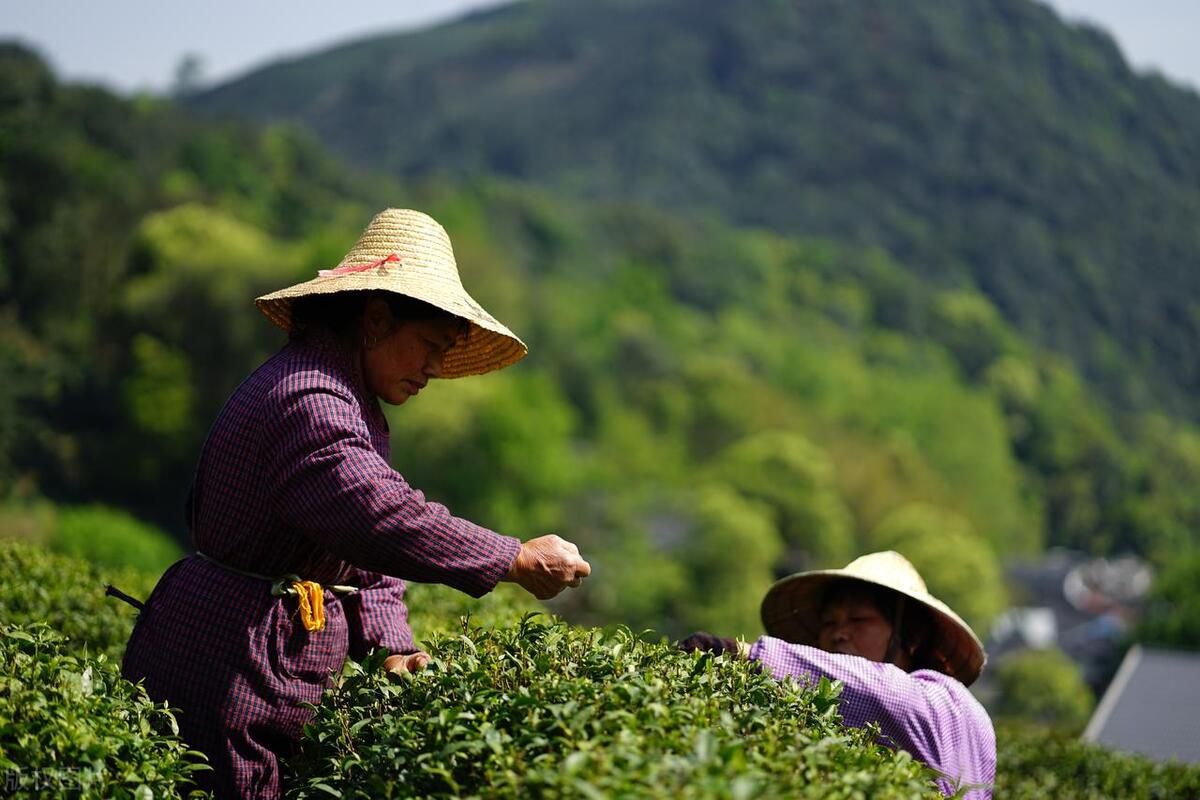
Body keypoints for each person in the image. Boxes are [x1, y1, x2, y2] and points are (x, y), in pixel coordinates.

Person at [122, 208, 591, 799]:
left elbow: (362, 555)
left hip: (262, 656)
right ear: (374, 320)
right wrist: (511, 557)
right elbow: (379, 515)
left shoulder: (347, 401)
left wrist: (393, 645)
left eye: (445, 351)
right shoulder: (311, 400)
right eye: (428, 345)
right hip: (229, 660)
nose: (435, 369)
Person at [679, 551, 995, 798]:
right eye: (829, 623)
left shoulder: (944, 699)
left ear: (909, 635)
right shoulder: (845, 718)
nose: (838, 634)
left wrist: (742, 653)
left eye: (858, 619)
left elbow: (886, 694)